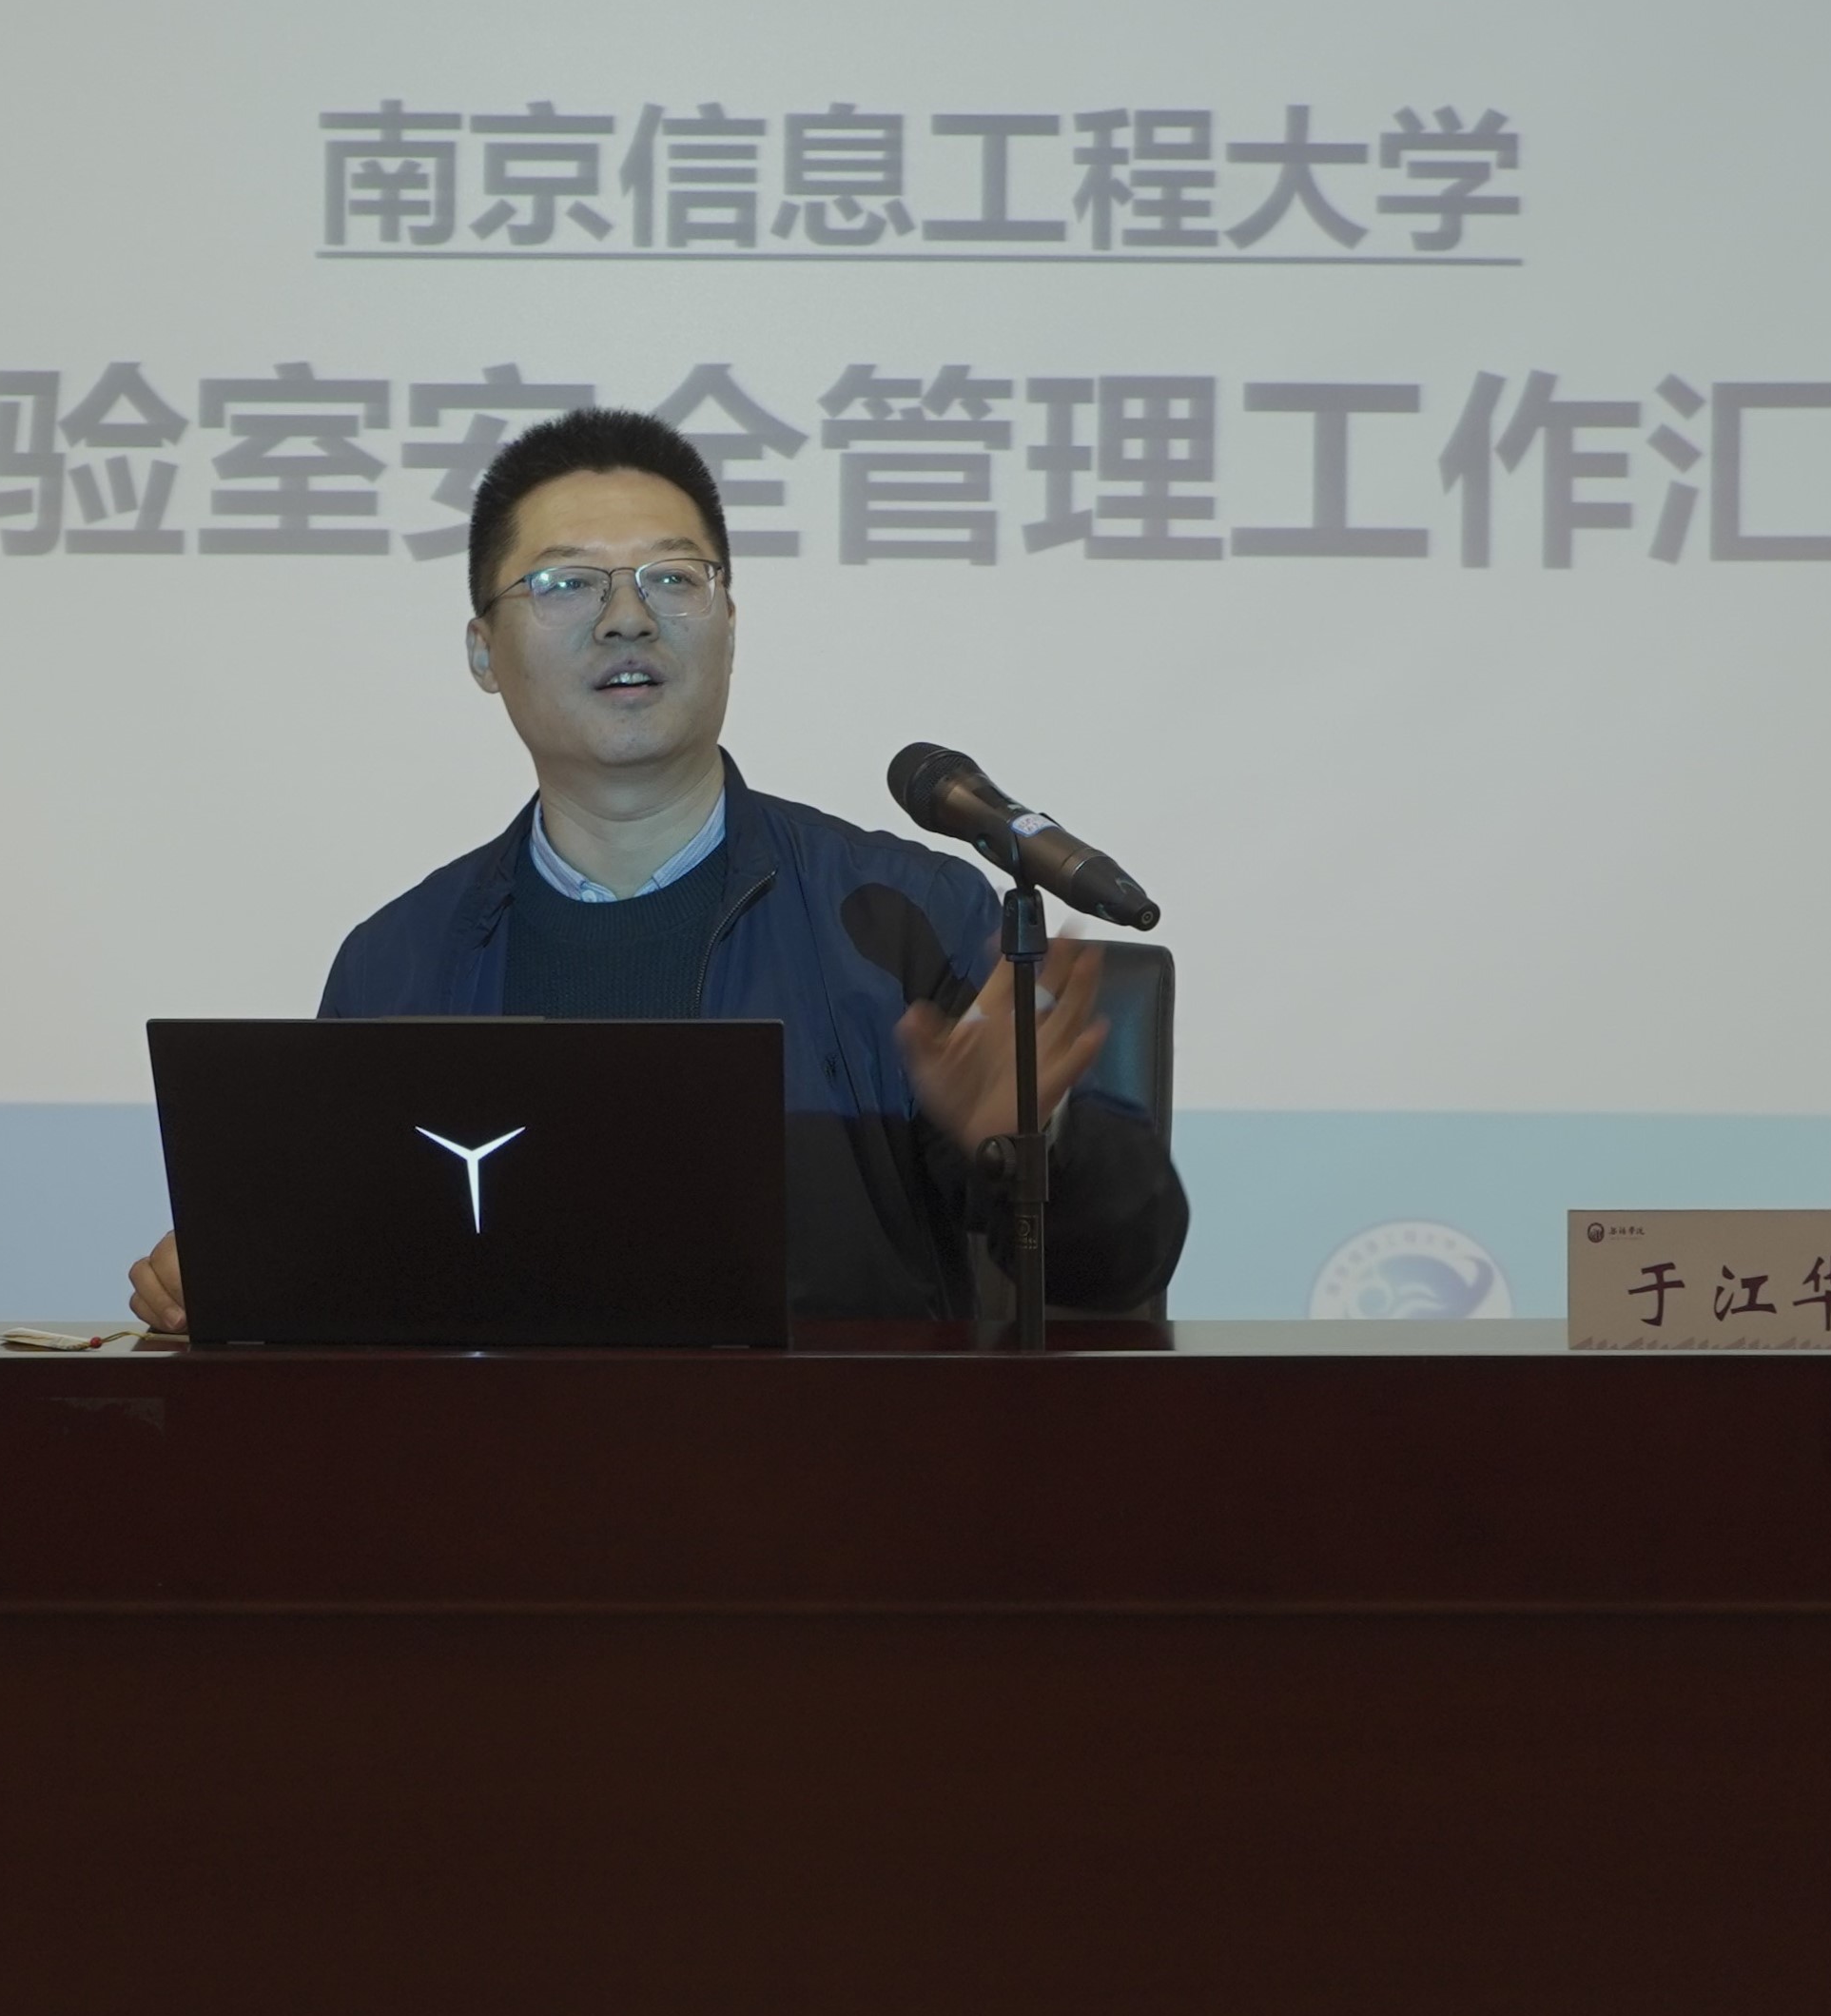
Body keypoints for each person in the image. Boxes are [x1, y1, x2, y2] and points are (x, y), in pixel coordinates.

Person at [126, 406, 1189, 1330]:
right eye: (565, 583)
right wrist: (244, 1275)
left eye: (673, 577)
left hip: (836, 1481)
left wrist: (1034, 1144)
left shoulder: (899, 916)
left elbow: (1124, 1266)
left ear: (728, 622)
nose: (626, 616)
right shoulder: (396, 963)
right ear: (482, 651)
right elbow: (360, 1291)